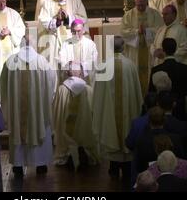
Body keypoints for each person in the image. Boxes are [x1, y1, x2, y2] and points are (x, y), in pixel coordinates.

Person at [0, 31, 57, 176]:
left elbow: (4, 85)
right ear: (34, 44)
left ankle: (18, 166)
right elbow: (51, 82)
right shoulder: (42, 61)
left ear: (21, 44)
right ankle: (41, 164)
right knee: (38, 127)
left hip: (17, 111)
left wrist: (8, 104)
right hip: (37, 111)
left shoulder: (11, 61)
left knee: (19, 131)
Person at [93, 37, 143, 183]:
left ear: (110, 48)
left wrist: (98, 109)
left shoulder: (103, 66)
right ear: (123, 48)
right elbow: (137, 93)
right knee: (126, 131)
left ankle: (113, 168)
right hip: (128, 112)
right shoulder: (131, 65)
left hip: (109, 113)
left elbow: (98, 94)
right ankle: (127, 169)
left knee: (111, 133)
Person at [53, 62, 98, 170]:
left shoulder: (61, 90)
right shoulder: (88, 90)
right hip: (85, 131)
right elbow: (94, 113)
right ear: (81, 73)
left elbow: (57, 112)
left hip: (66, 134)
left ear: (68, 73)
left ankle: (68, 154)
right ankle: (85, 152)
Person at [38, 0, 88, 67]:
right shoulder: (48, 2)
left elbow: (83, 19)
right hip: (54, 40)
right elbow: (42, 20)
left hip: (71, 38)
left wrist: (68, 18)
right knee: (54, 68)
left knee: (71, 67)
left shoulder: (76, 1)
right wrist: (57, 21)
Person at [121, 0, 163, 95]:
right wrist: (136, 32)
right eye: (138, 5)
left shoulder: (154, 14)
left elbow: (160, 30)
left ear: (146, 3)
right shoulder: (129, 15)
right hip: (135, 51)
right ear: (135, 3)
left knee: (149, 73)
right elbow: (123, 31)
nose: (140, 7)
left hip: (149, 50)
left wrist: (147, 31)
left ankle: (150, 94)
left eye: (142, 5)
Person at [58, 19, 98, 85]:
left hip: (85, 79)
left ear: (83, 31)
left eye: (79, 31)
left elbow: (93, 61)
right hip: (70, 79)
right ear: (71, 31)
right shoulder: (66, 43)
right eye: (74, 31)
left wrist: (81, 67)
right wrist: (70, 66)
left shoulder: (90, 44)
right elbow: (61, 59)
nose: (76, 34)